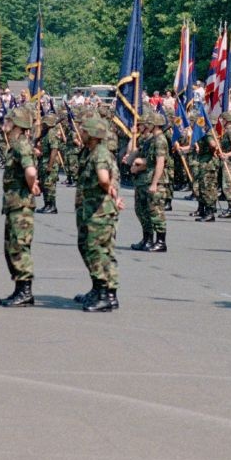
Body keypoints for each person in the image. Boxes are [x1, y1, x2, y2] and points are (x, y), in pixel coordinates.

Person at [74, 116, 122, 312]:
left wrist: (109, 188)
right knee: (91, 248)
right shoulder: (92, 151)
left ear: (92, 134)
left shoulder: (100, 154)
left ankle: (105, 294)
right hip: (92, 209)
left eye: (84, 130)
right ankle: (101, 290)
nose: (81, 133)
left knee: (97, 250)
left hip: (100, 211)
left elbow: (104, 178)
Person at [0, 106, 40, 307]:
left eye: (9, 120)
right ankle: (19, 289)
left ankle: (25, 292)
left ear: (17, 124)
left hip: (21, 204)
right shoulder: (16, 144)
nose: (5, 122)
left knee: (19, 246)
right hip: (15, 203)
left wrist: (32, 185)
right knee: (12, 247)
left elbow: (30, 171)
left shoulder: (21, 145)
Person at [128, 110, 169, 252]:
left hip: (153, 180)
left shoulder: (160, 140)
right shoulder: (151, 140)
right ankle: (147, 239)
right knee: (142, 211)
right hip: (144, 180)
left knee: (156, 212)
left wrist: (154, 183)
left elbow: (160, 163)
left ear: (153, 125)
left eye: (148, 123)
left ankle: (161, 242)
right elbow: (145, 157)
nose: (145, 125)